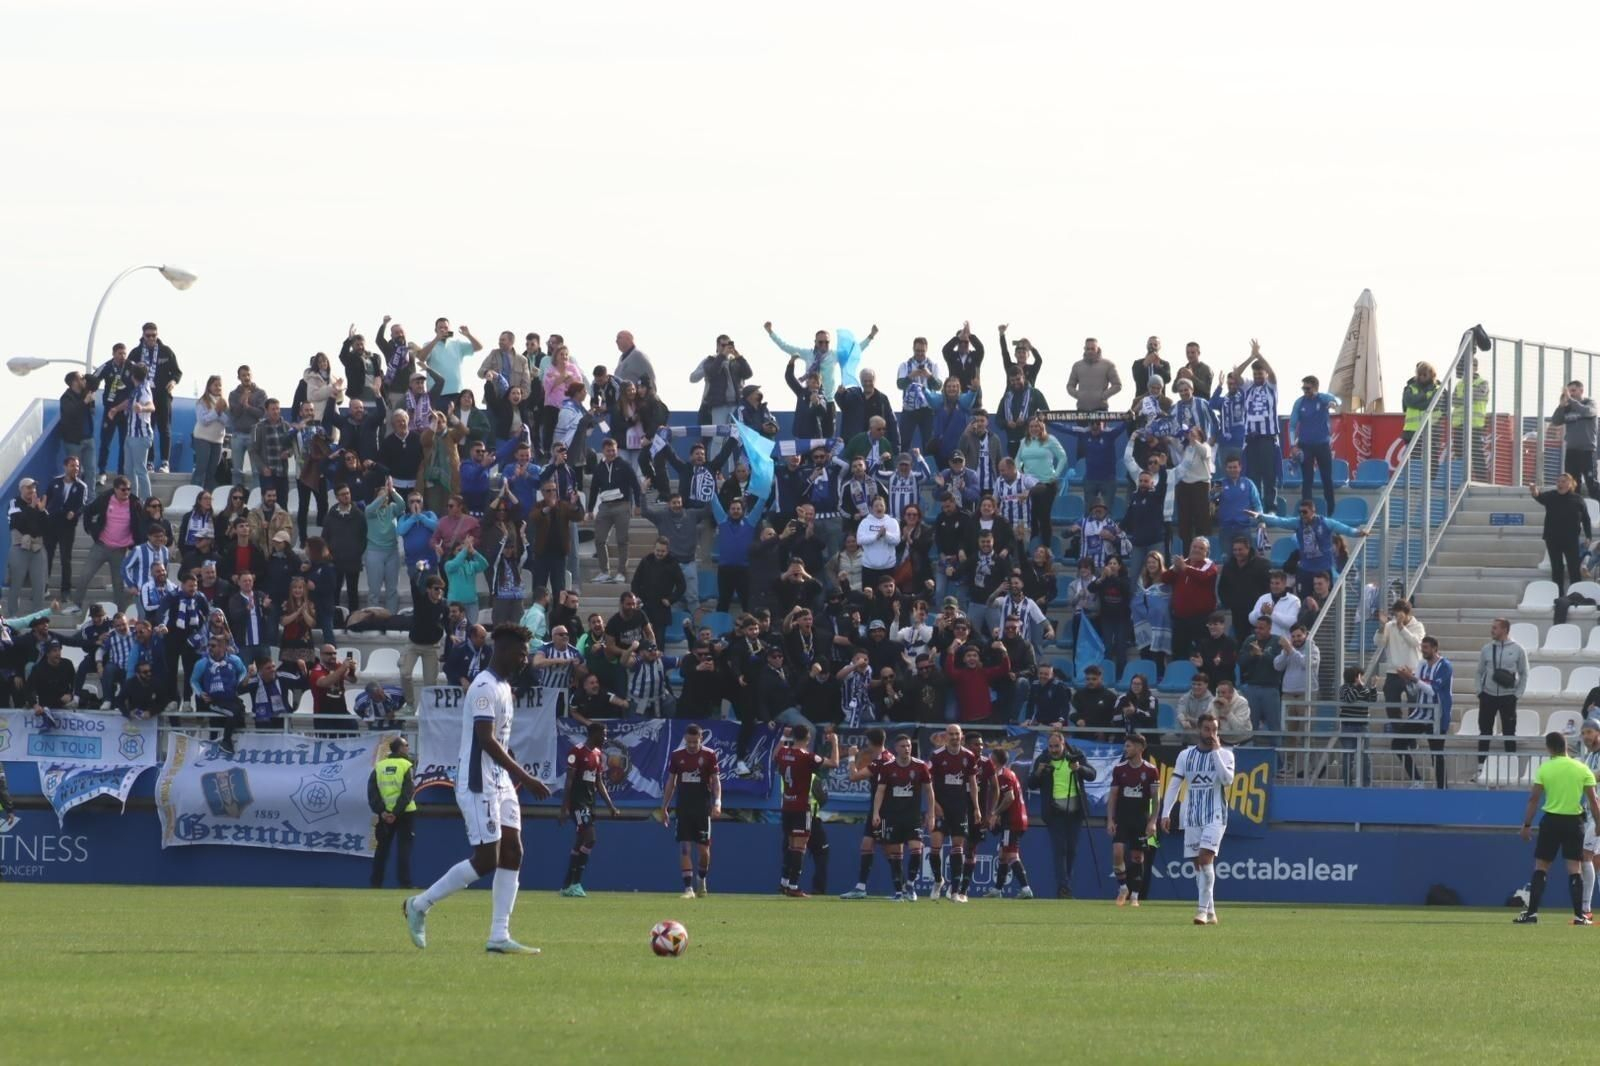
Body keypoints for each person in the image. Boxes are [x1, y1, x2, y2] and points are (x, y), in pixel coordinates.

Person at [404, 624, 552, 954]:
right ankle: (419, 904)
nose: (525, 658)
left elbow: (496, 740)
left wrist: (510, 763)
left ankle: (499, 935)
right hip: (477, 782)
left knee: (513, 852)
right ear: (503, 650)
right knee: (487, 860)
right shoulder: (483, 687)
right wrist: (525, 777)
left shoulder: (503, 686)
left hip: (499, 781)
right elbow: (485, 741)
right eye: (521, 652)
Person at [1514, 731, 1600, 925]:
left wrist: (1526, 825)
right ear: (1566, 746)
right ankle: (1580, 916)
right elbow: (1594, 801)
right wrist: (1599, 823)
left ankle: (1532, 913)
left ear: (1549, 748)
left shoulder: (1546, 769)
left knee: (1542, 867)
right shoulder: (1581, 768)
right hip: (1574, 822)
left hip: (1552, 821)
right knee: (1574, 869)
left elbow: (1534, 799)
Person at [1160, 713, 1236, 925]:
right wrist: (1166, 812)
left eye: (1214, 729)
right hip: (1192, 815)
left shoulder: (1226, 755)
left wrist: (1215, 752)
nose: (1211, 734)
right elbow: (1175, 784)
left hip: (1215, 815)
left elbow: (1227, 780)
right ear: (1199, 730)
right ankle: (1211, 911)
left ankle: (1201, 910)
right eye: (1207, 729)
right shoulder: (1186, 755)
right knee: (1198, 866)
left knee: (1205, 858)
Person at [1028, 729, 1095, 898]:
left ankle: (1066, 883)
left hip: (1075, 812)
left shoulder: (1076, 755)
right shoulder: (1043, 759)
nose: (1053, 750)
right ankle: (1063, 887)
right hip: (1054, 812)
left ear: (1063, 744)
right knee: (1060, 850)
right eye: (1050, 746)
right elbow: (1031, 784)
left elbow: (1092, 775)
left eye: (1056, 746)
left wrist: (1079, 769)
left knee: (1072, 850)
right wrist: (1038, 773)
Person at [559, 720, 622, 897]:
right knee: (590, 838)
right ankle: (576, 882)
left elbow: (599, 782)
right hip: (578, 804)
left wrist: (611, 806)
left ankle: (567, 885)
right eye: (603, 734)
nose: (605, 737)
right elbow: (569, 781)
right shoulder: (577, 752)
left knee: (580, 842)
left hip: (590, 803)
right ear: (593, 734)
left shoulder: (597, 754)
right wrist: (564, 808)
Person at [660, 723, 722, 899]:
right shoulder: (677, 756)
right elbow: (671, 782)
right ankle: (688, 889)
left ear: (701, 739)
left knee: (704, 851)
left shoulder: (709, 755)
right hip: (684, 808)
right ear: (685, 740)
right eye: (689, 742)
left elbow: (716, 781)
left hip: (702, 809)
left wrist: (717, 802)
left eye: (695, 742)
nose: (692, 745)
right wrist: (664, 806)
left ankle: (701, 880)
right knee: (685, 848)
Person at [870, 732, 932, 902]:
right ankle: (898, 892)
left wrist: (931, 814)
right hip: (892, 816)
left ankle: (910, 884)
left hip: (913, 817)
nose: (907, 748)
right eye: (903, 746)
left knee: (916, 849)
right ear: (896, 748)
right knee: (895, 854)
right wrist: (876, 813)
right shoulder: (887, 767)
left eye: (909, 746)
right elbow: (880, 791)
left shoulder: (920, 766)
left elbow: (929, 791)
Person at [926, 724, 981, 902]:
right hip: (941, 807)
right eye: (951, 734)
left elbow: (973, 784)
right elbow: (929, 784)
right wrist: (934, 806)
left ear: (962, 736)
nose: (954, 737)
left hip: (960, 808)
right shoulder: (936, 756)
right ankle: (937, 880)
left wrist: (977, 808)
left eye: (957, 734)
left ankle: (955, 892)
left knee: (958, 848)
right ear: (945, 736)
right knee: (935, 847)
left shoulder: (969, 756)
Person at [1107, 733, 1161, 907]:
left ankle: (1135, 896)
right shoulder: (1119, 769)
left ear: (1140, 748)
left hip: (1140, 820)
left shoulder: (1151, 770)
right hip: (1122, 818)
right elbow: (1113, 797)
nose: (1126, 749)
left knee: (1138, 857)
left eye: (1129, 746)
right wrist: (1110, 820)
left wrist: (1152, 822)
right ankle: (1123, 888)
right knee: (1117, 853)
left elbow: (1156, 799)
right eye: (1126, 746)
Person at [1474, 617, 1528, 778]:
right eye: (1492, 627)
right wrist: (1479, 691)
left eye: (1495, 628)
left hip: (1508, 697)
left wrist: (1517, 695)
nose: (1492, 630)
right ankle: (1480, 768)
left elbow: (1524, 673)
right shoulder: (1486, 649)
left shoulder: (1518, 649)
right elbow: (1479, 672)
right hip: (1488, 696)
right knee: (1485, 731)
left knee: (1509, 732)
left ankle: (1510, 768)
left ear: (1505, 630)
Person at [1233, 341, 1280, 512]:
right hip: (1251, 439)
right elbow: (1236, 374)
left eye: (1261, 374)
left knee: (1269, 475)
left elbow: (1273, 373)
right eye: (1256, 375)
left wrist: (1260, 355)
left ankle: (1271, 507)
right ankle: (1255, 506)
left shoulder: (1272, 387)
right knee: (1252, 476)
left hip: (1267, 438)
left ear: (1265, 374)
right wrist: (1252, 356)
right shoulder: (1248, 387)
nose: (1258, 377)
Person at [368, 737, 418, 889]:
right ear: (400, 748)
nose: (408, 748)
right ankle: (404, 883)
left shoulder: (379, 766)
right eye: (406, 745)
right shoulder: (406, 765)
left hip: (385, 815)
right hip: (405, 813)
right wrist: (396, 812)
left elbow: (372, 792)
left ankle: (376, 883)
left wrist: (383, 811)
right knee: (404, 849)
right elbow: (408, 792)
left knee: (382, 849)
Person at [1531, 474, 1592, 596]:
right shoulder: (1551, 496)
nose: (1560, 484)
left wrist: (1588, 536)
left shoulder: (1578, 499)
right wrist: (1534, 491)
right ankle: (1559, 596)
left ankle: (1576, 595)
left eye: (1563, 481)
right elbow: (1539, 496)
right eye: (1558, 481)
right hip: (1552, 538)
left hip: (1571, 539)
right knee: (1557, 569)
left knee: (1574, 568)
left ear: (1570, 484)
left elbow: (1586, 519)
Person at [1288, 375, 1341, 515]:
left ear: (1315, 388)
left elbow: (1336, 400)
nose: (1305, 391)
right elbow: (1292, 426)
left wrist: (1333, 404)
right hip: (1305, 446)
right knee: (1307, 479)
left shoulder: (1322, 398)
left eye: (1308, 388)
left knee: (1327, 479)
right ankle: (1306, 512)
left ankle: (1331, 512)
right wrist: (1293, 445)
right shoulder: (1299, 402)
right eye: (1303, 388)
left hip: (1322, 445)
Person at [989, 748, 1033, 898]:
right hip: (1014, 819)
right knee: (1003, 854)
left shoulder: (1004, 776)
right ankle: (997, 890)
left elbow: (1009, 797)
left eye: (990, 759)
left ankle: (1026, 889)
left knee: (1011, 854)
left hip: (1013, 821)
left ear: (994, 762)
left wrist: (995, 813)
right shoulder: (1007, 773)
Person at [1552, 380, 1600, 500]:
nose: (1571, 394)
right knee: (1573, 485)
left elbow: (1588, 412)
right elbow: (1556, 421)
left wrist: (1571, 401)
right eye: (1569, 392)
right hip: (1572, 451)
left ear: (1581, 390)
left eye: (1573, 391)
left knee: (1592, 483)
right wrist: (1561, 406)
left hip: (1587, 451)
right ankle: (1575, 515)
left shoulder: (1590, 403)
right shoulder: (1568, 408)